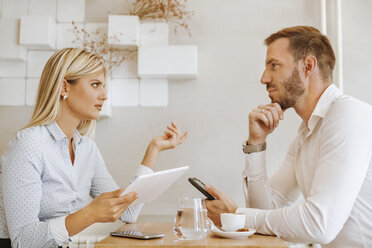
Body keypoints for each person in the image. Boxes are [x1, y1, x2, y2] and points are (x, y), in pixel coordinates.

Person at [0, 48, 188, 248]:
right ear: (64, 88)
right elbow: (22, 240)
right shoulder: (28, 144)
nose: (104, 96)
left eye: (103, 86)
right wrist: (89, 214)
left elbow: (127, 213)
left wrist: (154, 149)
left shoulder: (87, 148)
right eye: (95, 84)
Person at [204, 26, 372, 247]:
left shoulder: (349, 114)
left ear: (308, 66)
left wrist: (237, 214)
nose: (264, 78)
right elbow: (265, 214)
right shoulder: (305, 134)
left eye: (274, 65)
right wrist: (256, 144)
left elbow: (319, 225)